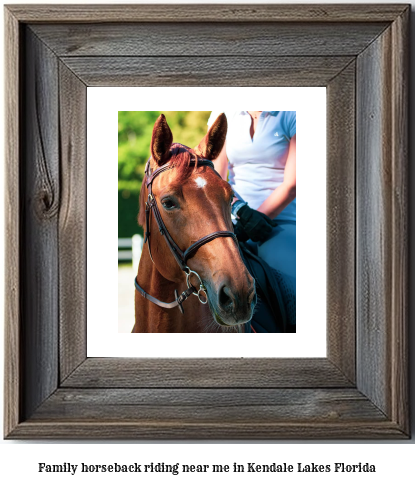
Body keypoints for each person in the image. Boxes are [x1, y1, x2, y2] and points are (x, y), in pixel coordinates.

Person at [207, 111, 296, 331]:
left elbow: (292, 185)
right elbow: (214, 175)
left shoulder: (292, 113)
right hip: (233, 220)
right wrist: (240, 211)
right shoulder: (224, 111)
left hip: (280, 222)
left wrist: (258, 219)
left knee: (294, 291)